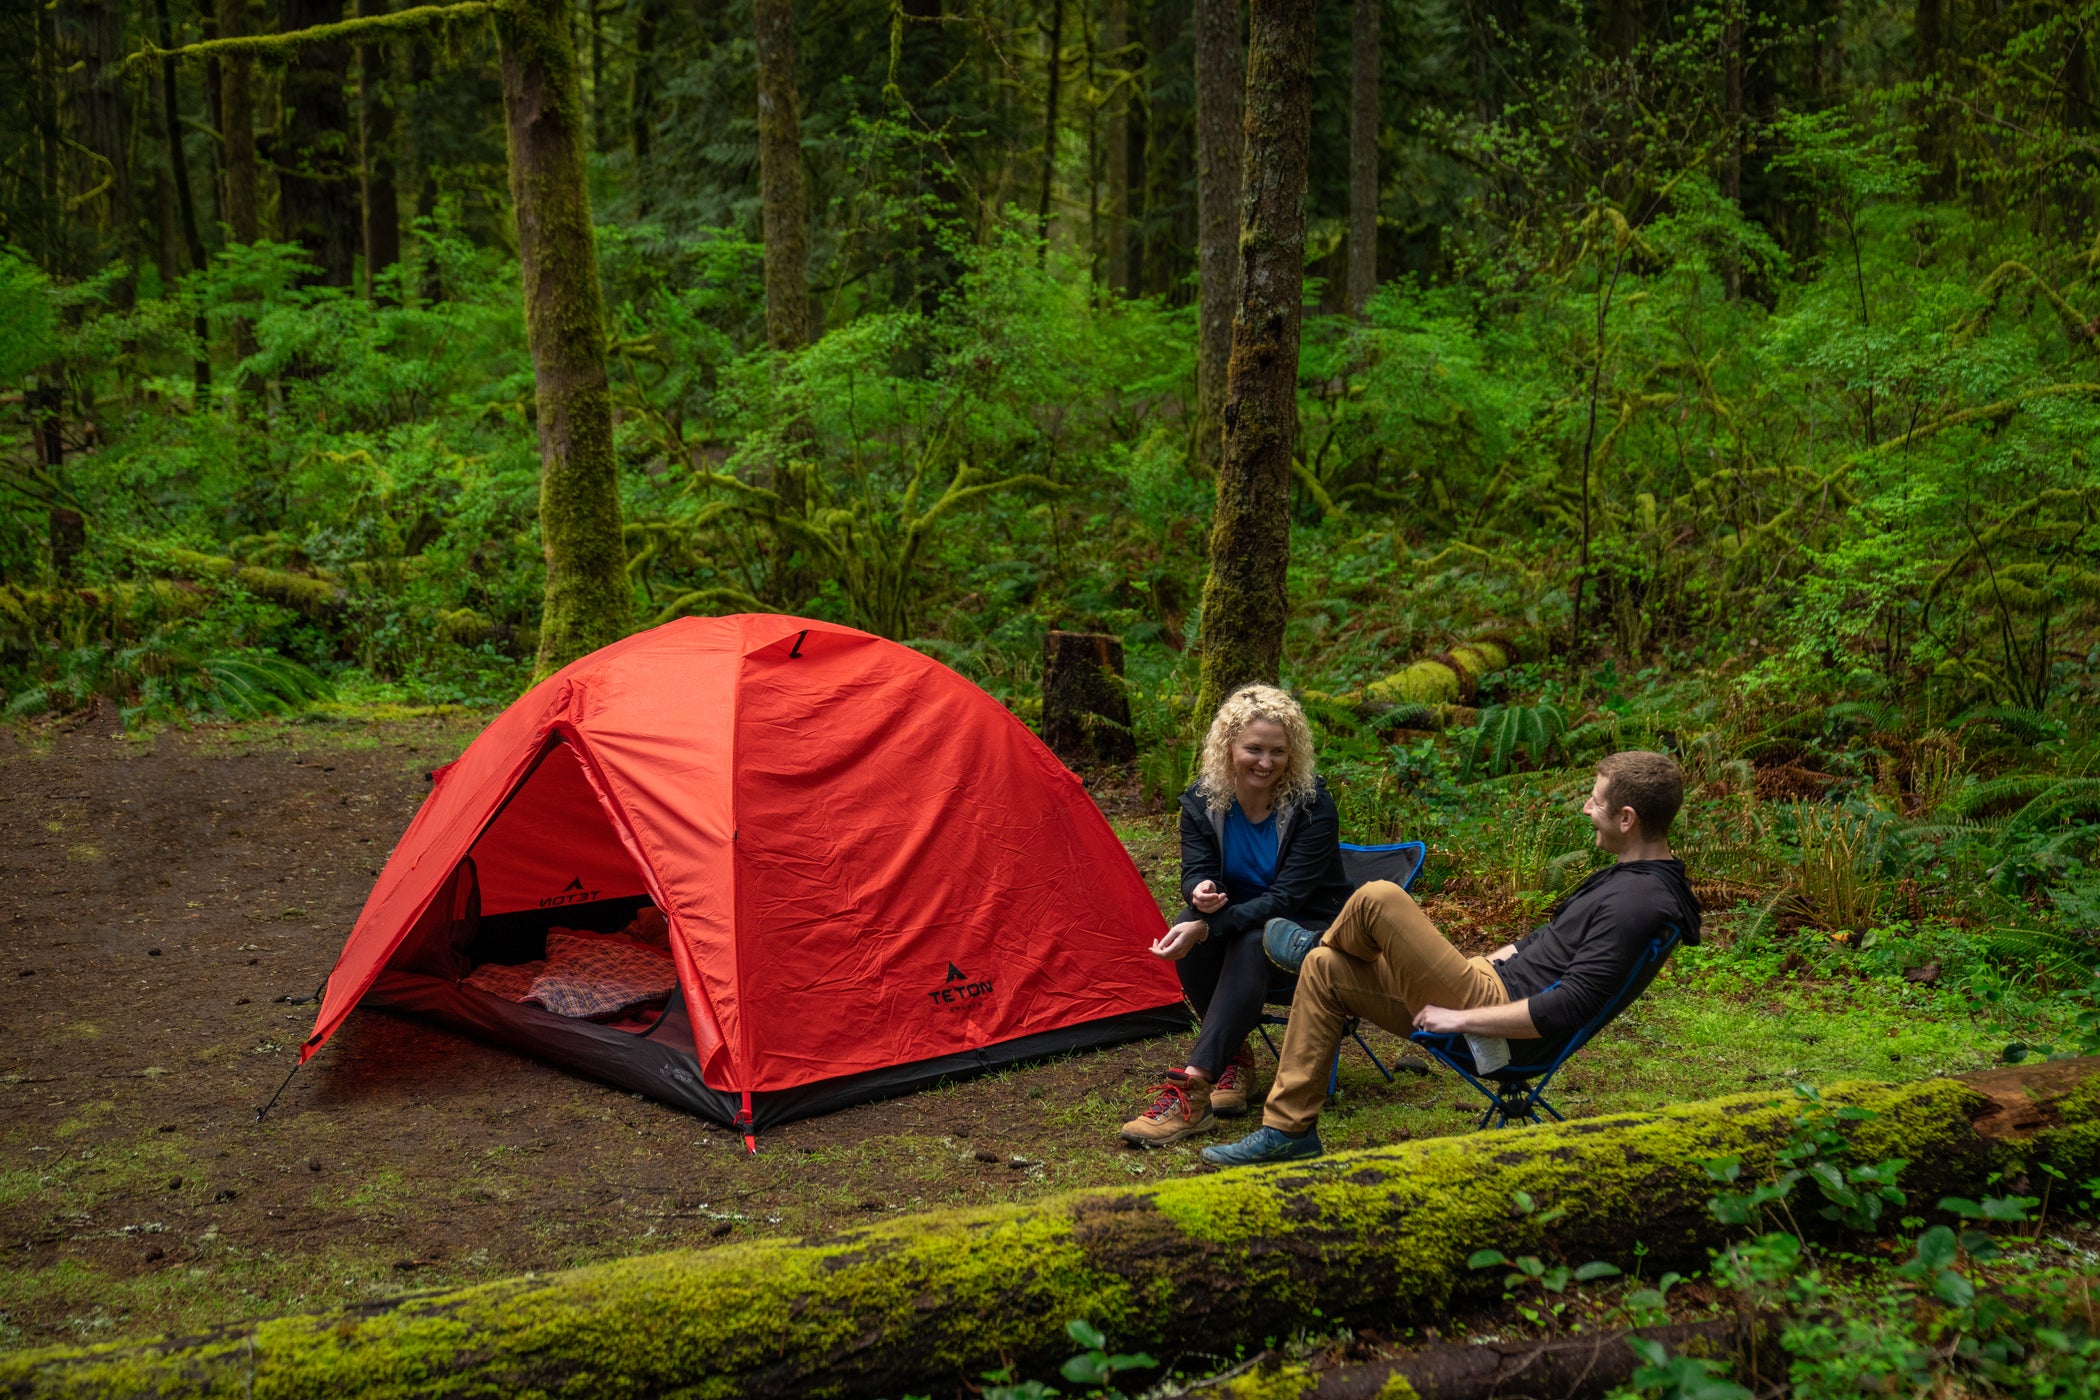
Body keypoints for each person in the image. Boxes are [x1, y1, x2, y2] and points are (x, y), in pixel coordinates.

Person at [1201, 750, 1702, 1166]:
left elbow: (1569, 1006)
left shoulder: (1638, 904)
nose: (1587, 810)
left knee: (1379, 897)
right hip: (1488, 983)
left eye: (1596, 801)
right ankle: (1289, 1132)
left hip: (1500, 1027)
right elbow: (1545, 940)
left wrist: (1460, 1016)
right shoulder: (1630, 877)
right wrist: (1479, 963)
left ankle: (1318, 940)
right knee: (1325, 970)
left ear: (1627, 818)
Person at [1120, 684, 1355, 1147]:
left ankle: (1194, 1087)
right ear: (1229, 747)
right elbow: (1196, 869)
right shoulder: (1204, 801)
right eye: (1253, 749)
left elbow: (1287, 899)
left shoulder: (1311, 807)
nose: (1265, 762)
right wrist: (1201, 893)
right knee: (1194, 927)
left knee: (1246, 936)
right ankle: (1235, 1062)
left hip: (1312, 935)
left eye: (1277, 752)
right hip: (1241, 925)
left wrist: (1208, 926)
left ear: (1293, 754)